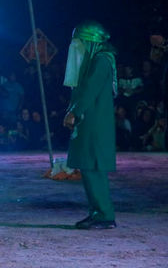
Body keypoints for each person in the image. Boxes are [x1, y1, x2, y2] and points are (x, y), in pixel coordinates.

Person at [63, 21, 117, 230]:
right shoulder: (96, 59)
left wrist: (74, 112)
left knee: (94, 168)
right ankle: (97, 212)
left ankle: (104, 214)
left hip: (95, 123)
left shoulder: (102, 60)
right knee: (88, 167)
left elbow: (89, 90)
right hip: (90, 121)